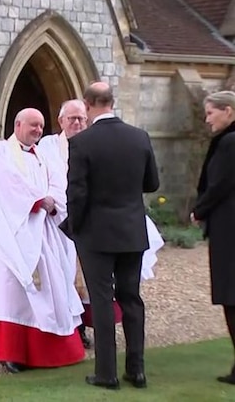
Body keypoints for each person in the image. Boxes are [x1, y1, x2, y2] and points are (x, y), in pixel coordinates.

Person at [38, 99, 164, 349]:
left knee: (100, 287)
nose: (76, 122)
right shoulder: (48, 146)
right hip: (61, 222)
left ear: (88, 118)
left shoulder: (95, 143)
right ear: (60, 121)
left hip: (89, 224)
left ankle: (101, 345)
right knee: (67, 278)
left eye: (81, 118)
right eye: (71, 118)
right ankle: (75, 328)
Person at [60, 82, 159, 390]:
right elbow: (152, 184)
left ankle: (107, 373)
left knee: (102, 301)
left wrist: (73, 226)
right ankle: (137, 370)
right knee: (131, 299)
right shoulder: (139, 137)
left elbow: (76, 192)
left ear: (88, 105)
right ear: (111, 103)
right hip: (131, 230)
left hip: (96, 234)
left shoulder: (82, 143)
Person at [0, 108, 86, 374]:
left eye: (41, 126)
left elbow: (58, 183)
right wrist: (39, 200)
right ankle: (13, 354)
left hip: (44, 233)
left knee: (52, 291)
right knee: (15, 293)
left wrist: (52, 202)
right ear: (18, 124)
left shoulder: (43, 155)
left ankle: (51, 351)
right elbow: (9, 183)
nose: (39, 131)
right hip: (14, 232)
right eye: (33, 126)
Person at [190, 90, 235, 385]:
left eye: (210, 113)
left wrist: (199, 210)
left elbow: (219, 184)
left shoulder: (230, 143)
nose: (207, 120)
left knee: (232, 297)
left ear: (228, 111)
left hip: (230, 230)